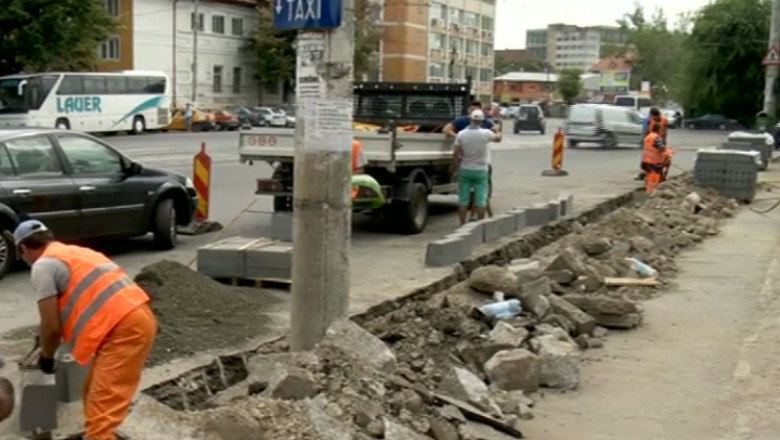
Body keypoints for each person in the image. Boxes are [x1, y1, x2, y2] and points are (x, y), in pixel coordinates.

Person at [13, 220, 157, 440]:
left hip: (123, 329)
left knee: (100, 420)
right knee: (91, 393)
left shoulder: (42, 265)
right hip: (134, 318)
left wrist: (47, 356)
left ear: (23, 248)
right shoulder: (73, 252)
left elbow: (51, 326)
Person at [444, 101, 500, 220]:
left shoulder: (461, 135)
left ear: (471, 118)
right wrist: (498, 130)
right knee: (481, 198)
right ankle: (481, 223)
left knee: (463, 199)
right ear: (481, 120)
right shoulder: (486, 133)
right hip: (481, 169)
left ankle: (462, 224)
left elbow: (456, 154)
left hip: (465, 169)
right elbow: (498, 138)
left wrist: (454, 167)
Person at [636, 108, 668, 181]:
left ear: (656, 115)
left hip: (658, 140)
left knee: (658, 158)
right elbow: (647, 130)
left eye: (652, 116)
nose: (651, 117)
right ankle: (646, 174)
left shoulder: (664, 120)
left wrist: (664, 143)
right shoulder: (650, 120)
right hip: (651, 140)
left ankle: (656, 174)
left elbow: (665, 132)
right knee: (648, 157)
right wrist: (644, 139)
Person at [641, 123, 669, 192]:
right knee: (654, 179)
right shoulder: (656, 137)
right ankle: (652, 192)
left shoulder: (648, 137)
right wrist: (667, 152)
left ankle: (648, 190)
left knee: (649, 177)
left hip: (645, 161)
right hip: (654, 162)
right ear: (659, 129)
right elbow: (661, 148)